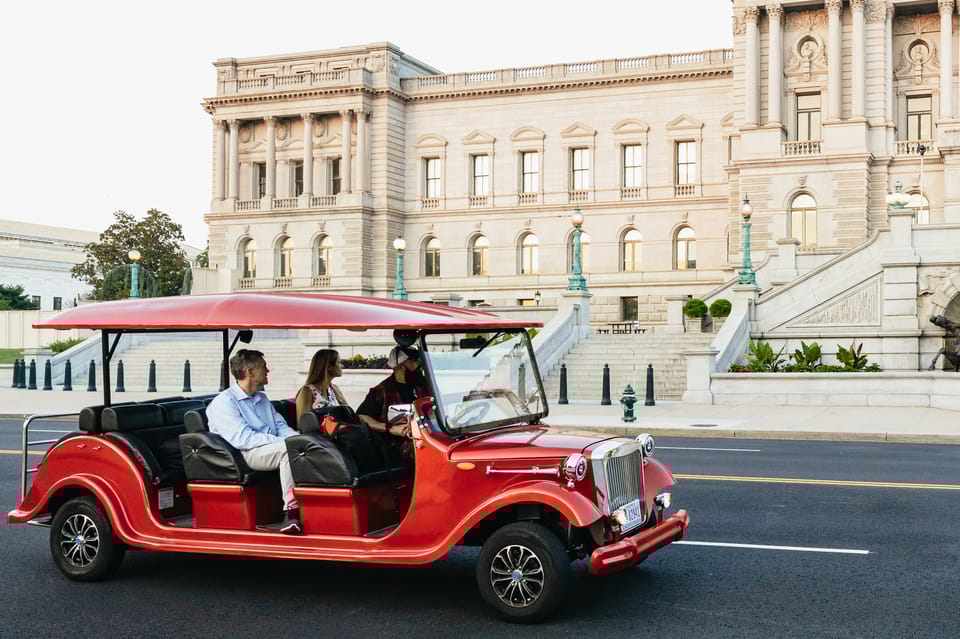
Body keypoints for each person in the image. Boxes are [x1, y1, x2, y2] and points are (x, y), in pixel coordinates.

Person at [206, 349, 302, 534]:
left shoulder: (262, 398)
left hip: (268, 447)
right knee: (288, 450)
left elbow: (280, 425)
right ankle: (292, 512)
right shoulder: (224, 402)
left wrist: (299, 440)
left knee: (302, 446)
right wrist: (288, 443)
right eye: (263, 367)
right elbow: (244, 439)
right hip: (244, 453)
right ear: (250, 372)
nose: (268, 371)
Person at [356, 345, 429, 457]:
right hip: (398, 446)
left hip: (427, 437)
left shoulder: (423, 385)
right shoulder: (381, 390)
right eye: (413, 361)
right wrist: (389, 428)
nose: (418, 364)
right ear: (400, 366)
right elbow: (362, 415)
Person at [294, 349, 348, 426]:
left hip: (341, 430)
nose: (342, 366)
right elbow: (302, 424)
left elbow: (348, 413)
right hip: (319, 433)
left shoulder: (335, 389)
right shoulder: (307, 391)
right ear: (329, 367)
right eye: (339, 362)